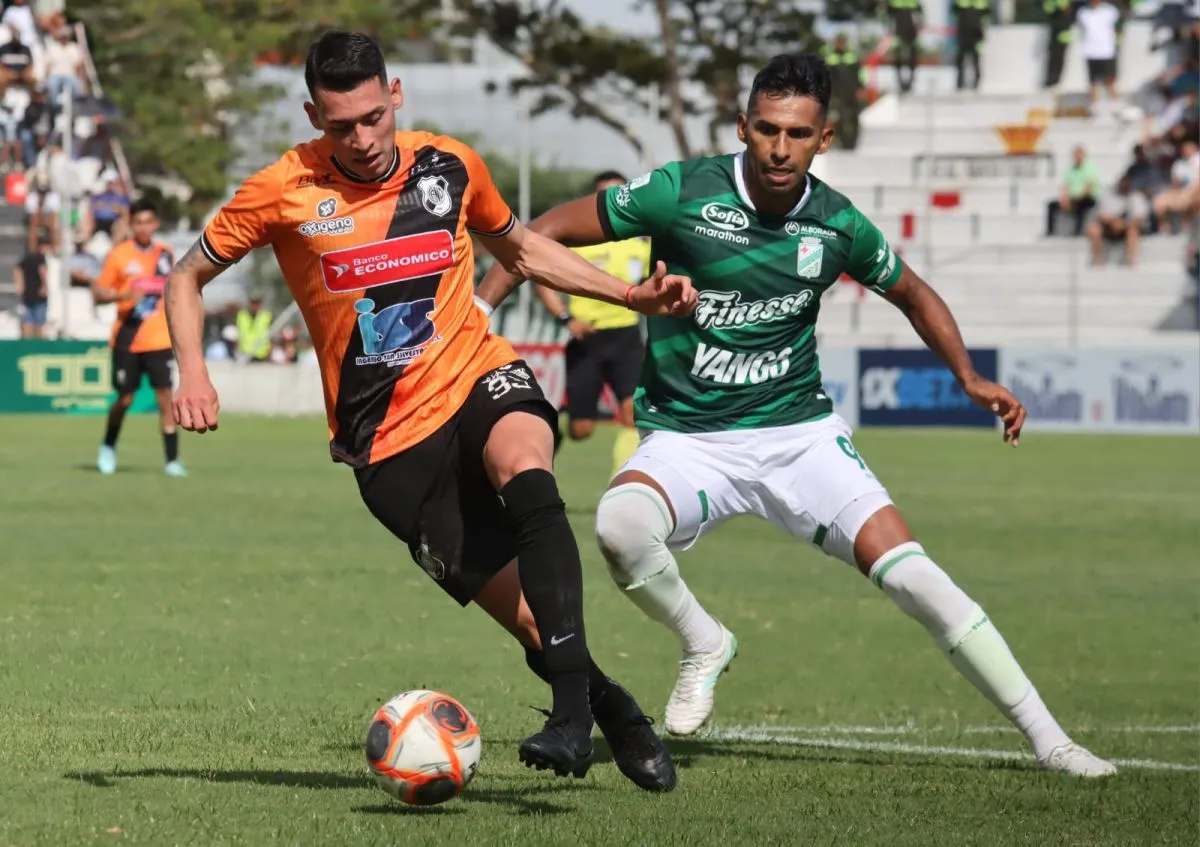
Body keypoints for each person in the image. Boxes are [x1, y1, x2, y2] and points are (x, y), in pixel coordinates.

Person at [477, 52, 1116, 778]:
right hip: (689, 438)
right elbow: (540, 231)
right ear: (742, 126)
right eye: (768, 129)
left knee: (914, 576)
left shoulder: (836, 223)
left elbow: (913, 292)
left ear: (825, 138)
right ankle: (704, 640)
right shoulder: (682, 192)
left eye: (799, 133)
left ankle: (1052, 741)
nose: (781, 148)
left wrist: (968, 377)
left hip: (798, 436)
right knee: (620, 527)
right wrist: (479, 308)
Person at [164, 30, 695, 791]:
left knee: (527, 472)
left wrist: (630, 295)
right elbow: (185, 276)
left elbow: (521, 249)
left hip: (476, 371)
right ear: (314, 116)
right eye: (341, 125)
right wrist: (193, 371)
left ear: (395, 96)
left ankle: (570, 717)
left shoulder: (450, 165)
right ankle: (618, 712)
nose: (363, 139)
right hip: (387, 443)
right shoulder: (282, 189)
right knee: (532, 623)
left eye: (373, 117)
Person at [533, 170, 649, 478]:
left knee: (632, 414)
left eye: (619, 193)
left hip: (626, 339)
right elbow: (540, 279)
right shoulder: (577, 243)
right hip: (587, 341)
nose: (614, 200)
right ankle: (553, 435)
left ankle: (622, 482)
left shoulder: (641, 245)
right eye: (605, 194)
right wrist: (566, 318)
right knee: (581, 429)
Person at [91, 200, 185, 476]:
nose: (144, 228)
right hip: (128, 338)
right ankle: (108, 446)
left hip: (159, 339)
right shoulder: (119, 255)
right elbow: (99, 293)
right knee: (124, 399)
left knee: (165, 398)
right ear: (131, 225)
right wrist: (124, 296)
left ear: (156, 224)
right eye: (138, 223)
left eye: (148, 222)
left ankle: (172, 461)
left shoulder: (165, 254)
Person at [1087, 176, 1150, 265]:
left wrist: (1123, 224)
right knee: (1093, 229)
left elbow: (1140, 217)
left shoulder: (1136, 197)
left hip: (1127, 229)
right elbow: (1101, 214)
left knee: (1133, 230)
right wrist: (1113, 222)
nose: (1124, 185)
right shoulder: (1108, 195)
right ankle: (1097, 261)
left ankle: (1130, 261)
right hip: (1108, 227)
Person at [1046, 145, 1101, 236]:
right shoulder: (1070, 170)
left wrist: (1075, 198)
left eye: (1079, 154)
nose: (1077, 157)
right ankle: (1050, 231)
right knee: (1051, 205)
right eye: (1075, 155)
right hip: (1072, 198)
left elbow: (1088, 187)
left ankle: (1078, 231)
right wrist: (1064, 198)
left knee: (1080, 204)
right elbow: (1065, 186)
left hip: (1087, 197)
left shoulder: (1090, 168)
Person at [1076, 0, 1122, 110]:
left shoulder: (1110, 11)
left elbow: (1117, 26)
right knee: (1093, 80)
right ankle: (1094, 103)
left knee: (1110, 78)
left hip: (1107, 50)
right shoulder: (1083, 12)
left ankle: (1114, 101)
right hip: (1090, 50)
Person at [821, 34, 862, 150]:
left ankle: (853, 142)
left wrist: (860, 88)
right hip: (837, 94)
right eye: (839, 42)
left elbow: (860, 73)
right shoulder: (830, 58)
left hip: (852, 92)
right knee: (838, 118)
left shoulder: (852, 56)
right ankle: (842, 141)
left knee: (854, 118)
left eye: (842, 42)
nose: (841, 44)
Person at [14, 235, 50, 338]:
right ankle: (41, 346)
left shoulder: (28, 257)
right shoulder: (41, 258)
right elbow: (42, 272)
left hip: (28, 294)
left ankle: (27, 345)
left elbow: (17, 268)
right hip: (38, 295)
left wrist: (20, 284)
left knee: (28, 323)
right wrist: (44, 286)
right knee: (39, 324)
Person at [953, 0, 988, 91]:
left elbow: (987, 17)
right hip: (963, 34)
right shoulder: (960, 1)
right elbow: (954, 13)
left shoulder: (982, 2)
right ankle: (960, 84)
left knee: (976, 61)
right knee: (960, 60)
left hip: (976, 36)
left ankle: (976, 83)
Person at [888, 0, 922, 94]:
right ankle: (900, 81)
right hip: (900, 31)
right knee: (899, 56)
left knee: (911, 56)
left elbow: (919, 13)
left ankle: (910, 80)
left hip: (909, 31)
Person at [1043, 0, 1075, 88]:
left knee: (1060, 58)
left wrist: (1063, 8)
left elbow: (1068, 10)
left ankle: (1056, 80)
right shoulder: (1051, 2)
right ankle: (1051, 80)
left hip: (1064, 33)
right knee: (1053, 57)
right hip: (1055, 32)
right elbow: (1048, 9)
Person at [235, 295, 273, 362]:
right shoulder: (242, 315)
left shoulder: (266, 316)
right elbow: (238, 333)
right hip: (245, 353)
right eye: (253, 303)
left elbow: (272, 335)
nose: (254, 306)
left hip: (261, 353)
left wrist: (269, 353)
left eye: (256, 303)